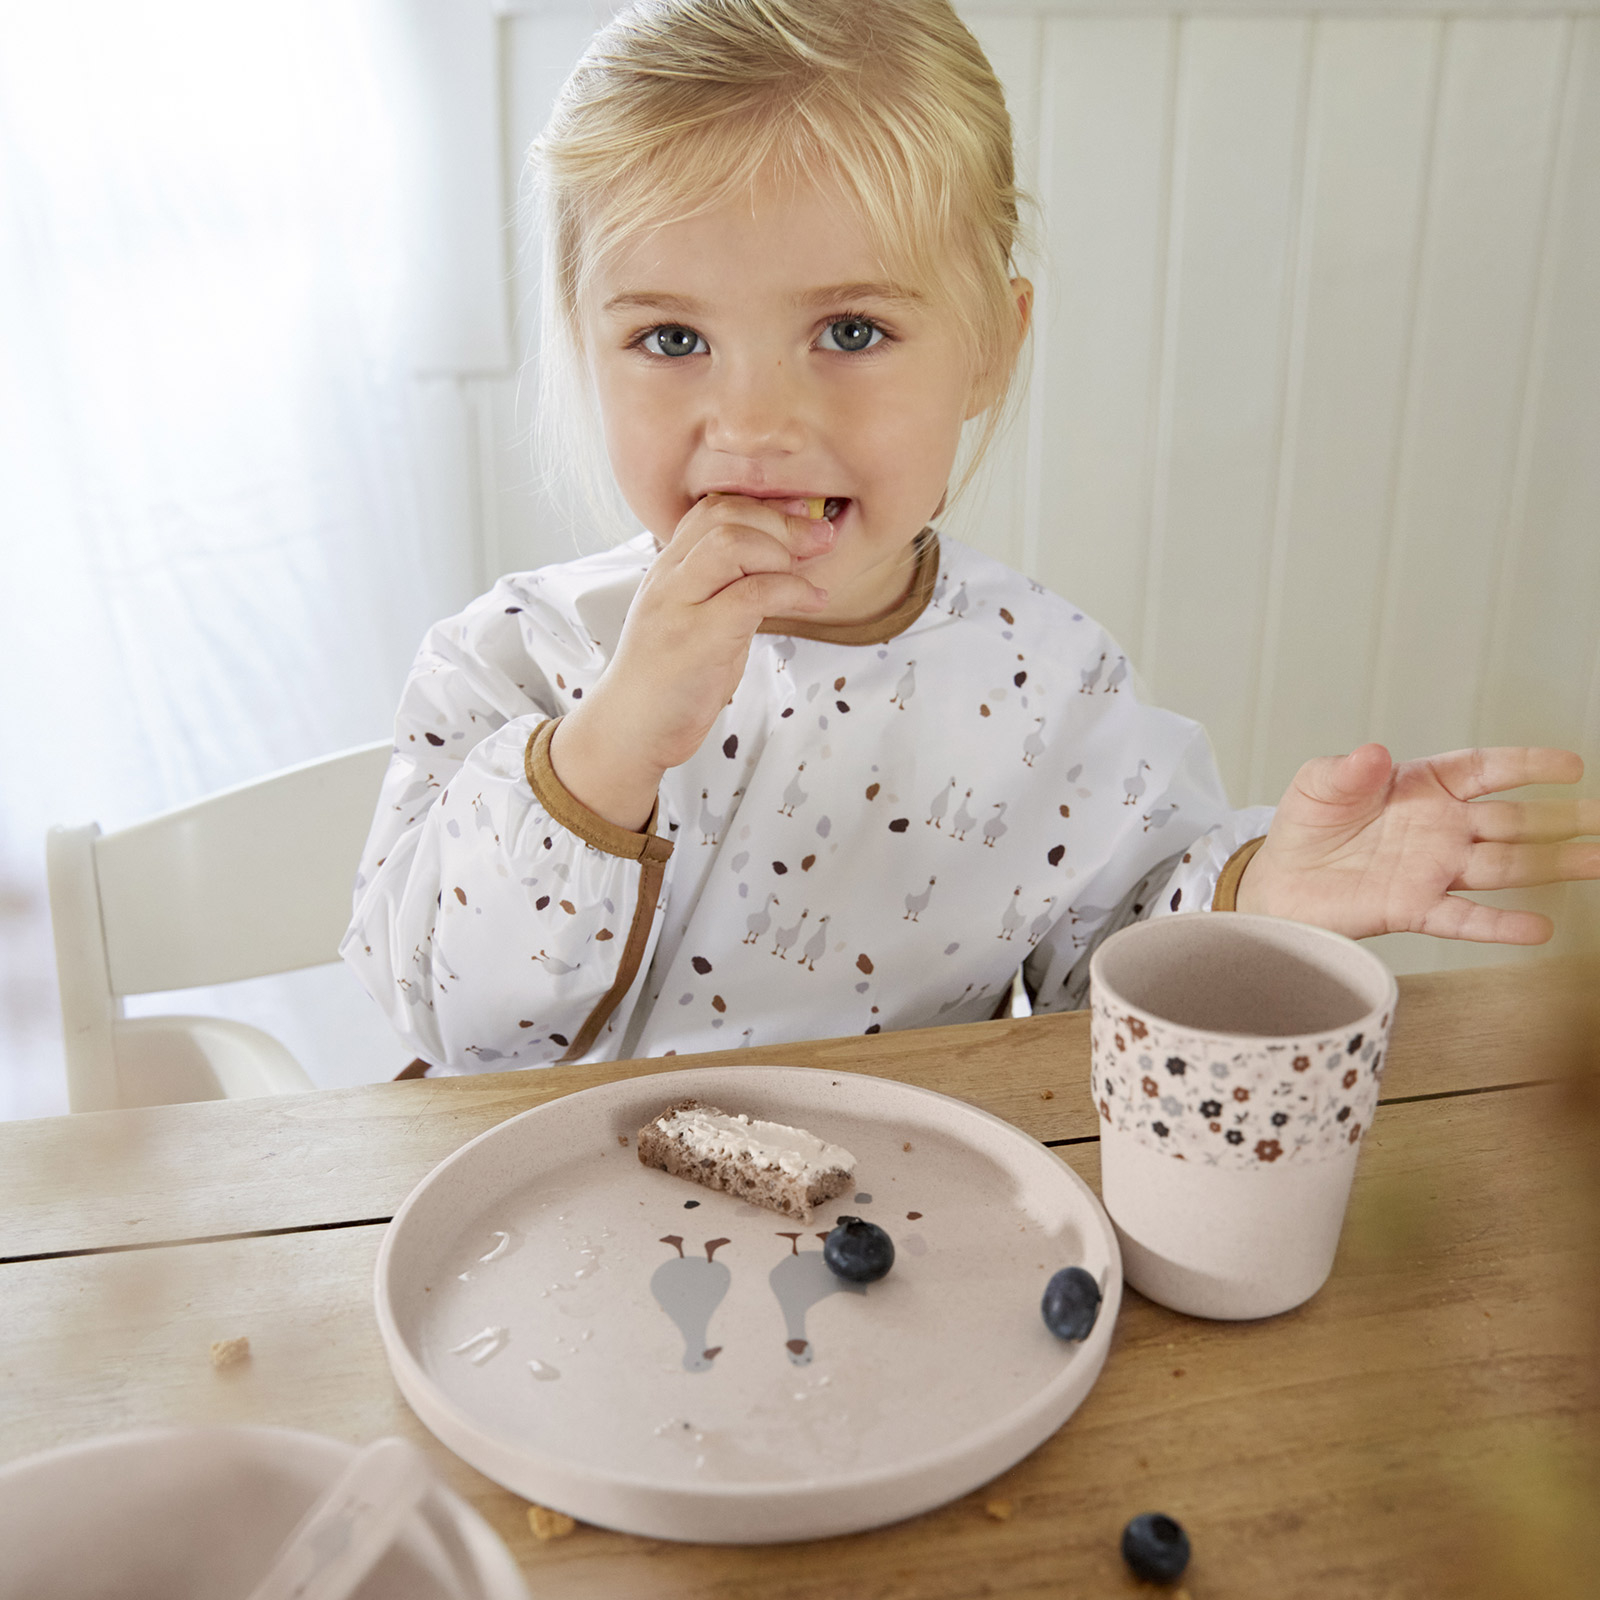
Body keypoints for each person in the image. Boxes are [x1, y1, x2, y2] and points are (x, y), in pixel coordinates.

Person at [341, 0, 1597, 1076]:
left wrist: (1261, 894)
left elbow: (1111, 965)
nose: (759, 421)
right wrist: (607, 746)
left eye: (848, 331)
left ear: (991, 343)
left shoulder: (1047, 681)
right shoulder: (509, 660)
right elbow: (450, 1026)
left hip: (891, 1245)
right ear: (587, 348)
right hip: (551, 1249)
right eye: (671, 340)